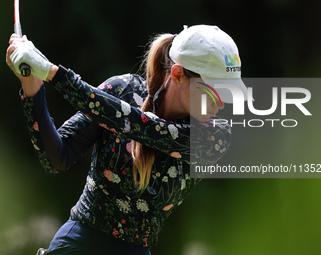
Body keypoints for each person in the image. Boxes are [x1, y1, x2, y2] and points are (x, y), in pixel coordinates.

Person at [6, 25, 247, 255]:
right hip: (76, 243)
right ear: (178, 74)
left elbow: (140, 125)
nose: (222, 103)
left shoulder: (214, 136)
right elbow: (56, 158)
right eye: (215, 92)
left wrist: (52, 73)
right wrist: (33, 85)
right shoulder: (123, 90)